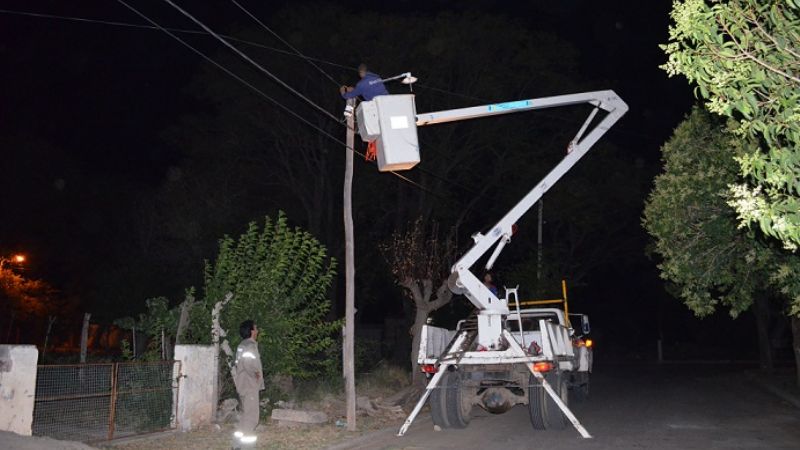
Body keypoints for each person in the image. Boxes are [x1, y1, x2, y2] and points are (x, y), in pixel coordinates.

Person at [232, 320, 264, 448]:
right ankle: (248, 447)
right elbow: (248, 364)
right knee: (252, 418)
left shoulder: (242, 344)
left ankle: (236, 445)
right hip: (249, 385)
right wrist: (256, 374)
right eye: (255, 328)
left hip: (243, 385)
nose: (257, 331)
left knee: (245, 416)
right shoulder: (250, 345)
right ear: (251, 331)